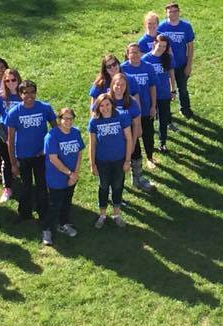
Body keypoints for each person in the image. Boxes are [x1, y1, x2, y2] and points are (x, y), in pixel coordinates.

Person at [6, 80, 57, 232]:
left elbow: (55, 130)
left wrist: (46, 149)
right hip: (23, 156)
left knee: (42, 186)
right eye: (25, 92)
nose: (29, 95)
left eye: (32, 92)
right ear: (20, 94)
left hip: (41, 156)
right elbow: (10, 140)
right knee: (26, 186)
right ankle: (24, 213)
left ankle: (44, 213)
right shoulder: (14, 112)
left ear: (36, 93)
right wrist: (13, 163)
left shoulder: (45, 108)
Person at [89, 92, 133, 228]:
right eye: (101, 105)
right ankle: (102, 214)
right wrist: (92, 164)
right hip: (102, 161)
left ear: (112, 105)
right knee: (103, 187)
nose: (105, 108)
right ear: (98, 107)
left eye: (107, 104)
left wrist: (127, 160)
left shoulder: (122, 116)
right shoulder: (95, 121)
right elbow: (92, 144)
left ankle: (117, 214)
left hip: (119, 160)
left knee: (117, 186)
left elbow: (129, 139)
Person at [42, 108, 85, 246]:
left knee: (67, 202)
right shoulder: (52, 136)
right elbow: (53, 159)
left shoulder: (76, 132)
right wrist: (69, 173)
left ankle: (63, 224)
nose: (68, 121)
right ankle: (46, 229)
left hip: (72, 176)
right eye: (65, 118)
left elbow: (79, 153)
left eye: (71, 118)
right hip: (56, 177)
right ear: (59, 119)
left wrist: (76, 173)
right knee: (55, 204)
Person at [108, 73, 153, 192]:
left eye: (123, 85)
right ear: (112, 85)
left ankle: (138, 179)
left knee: (136, 155)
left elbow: (137, 123)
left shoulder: (131, 101)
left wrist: (132, 144)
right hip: (112, 139)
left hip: (129, 136)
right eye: (117, 84)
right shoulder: (106, 100)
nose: (120, 87)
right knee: (114, 165)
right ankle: (113, 189)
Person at [121, 42, 158, 171]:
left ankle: (150, 157)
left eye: (137, 52)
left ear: (141, 53)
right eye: (132, 52)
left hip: (146, 109)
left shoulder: (148, 67)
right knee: (132, 137)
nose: (135, 55)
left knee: (148, 135)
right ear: (127, 54)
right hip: (129, 112)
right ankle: (133, 160)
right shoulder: (122, 69)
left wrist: (153, 106)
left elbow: (153, 87)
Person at [158, 2, 196, 119]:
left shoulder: (186, 26)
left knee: (182, 88)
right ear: (166, 13)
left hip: (181, 64)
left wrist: (188, 65)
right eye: (170, 12)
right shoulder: (161, 27)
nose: (173, 14)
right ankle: (165, 112)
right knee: (165, 89)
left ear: (179, 12)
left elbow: (190, 46)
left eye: (175, 11)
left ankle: (185, 108)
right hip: (166, 64)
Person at [0, 68, 22, 203]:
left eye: (13, 80)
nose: (10, 83)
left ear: (18, 80)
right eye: (7, 80)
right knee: (6, 162)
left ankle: (25, 184)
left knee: (23, 161)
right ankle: (7, 188)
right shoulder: (0, 96)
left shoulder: (23, 95)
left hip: (21, 136)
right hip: (5, 135)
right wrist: (4, 137)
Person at [142, 35, 176, 153]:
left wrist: (173, 90)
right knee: (149, 120)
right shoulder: (146, 59)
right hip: (150, 95)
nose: (161, 48)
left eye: (164, 46)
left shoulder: (167, 58)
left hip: (164, 94)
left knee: (163, 119)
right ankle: (150, 144)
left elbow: (172, 75)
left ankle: (162, 143)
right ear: (154, 43)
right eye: (160, 45)